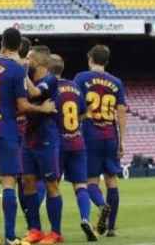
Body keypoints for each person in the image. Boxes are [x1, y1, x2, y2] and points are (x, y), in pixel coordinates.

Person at [0, 28, 56, 245]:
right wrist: (43, 109)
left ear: (2, 42)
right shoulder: (17, 68)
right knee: (9, 182)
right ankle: (10, 235)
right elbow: (22, 104)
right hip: (5, 128)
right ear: (19, 46)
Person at [74, 45, 127, 237]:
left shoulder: (81, 78)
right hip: (110, 134)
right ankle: (111, 228)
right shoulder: (117, 82)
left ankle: (102, 205)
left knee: (91, 181)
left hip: (90, 133)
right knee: (112, 180)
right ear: (106, 61)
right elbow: (121, 112)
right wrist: (122, 141)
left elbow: (75, 104)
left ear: (90, 59)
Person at [50, 54, 98, 242]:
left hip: (57, 143)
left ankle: (51, 230)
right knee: (81, 186)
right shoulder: (75, 87)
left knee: (52, 186)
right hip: (77, 141)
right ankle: (86, 219)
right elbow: (85, 113)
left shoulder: (49, 88)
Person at [21, 46, 63, 245]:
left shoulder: (50, 80)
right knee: (28, 182)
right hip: (28, 138)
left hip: (46, 138)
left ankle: (55, 233)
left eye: (29, 58)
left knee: (51, 184)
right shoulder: (26, 79)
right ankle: (35, 230)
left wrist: (22, 74)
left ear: (40, 62)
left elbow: (36, 93)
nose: (25, 60)